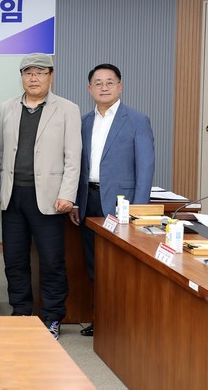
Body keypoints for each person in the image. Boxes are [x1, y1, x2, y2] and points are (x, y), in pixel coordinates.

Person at [0, 53, 81, 340]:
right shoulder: (6, 108)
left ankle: (53, 317)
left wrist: (67, 194)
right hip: (13, 197)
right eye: (28, 73)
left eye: (40, 72)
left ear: (51, 76)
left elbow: (73, 157)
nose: (34, 78)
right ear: (21, 76)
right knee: (14, 261)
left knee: (51, 261)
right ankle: (21, 312)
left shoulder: (67, 109)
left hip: (49, 198)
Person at [69, 63, 155, 337]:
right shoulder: (84, 121)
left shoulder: (137, 120)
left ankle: (121, 324)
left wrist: (137, 210)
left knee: (119, 266)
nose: (103, 87)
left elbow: (145, 168)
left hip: (121, 205)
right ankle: (101, 320)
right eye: (98, 83)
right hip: (89, 201)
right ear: (89, 89)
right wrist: (76, 202)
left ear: (120, 86)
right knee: (94, 264)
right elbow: (78, 166)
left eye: (109, 82)